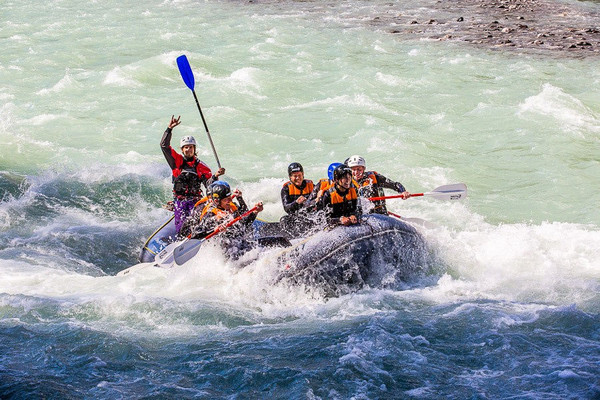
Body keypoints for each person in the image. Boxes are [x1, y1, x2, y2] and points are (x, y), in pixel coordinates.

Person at [160, 115, 225, 232]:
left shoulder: (201, 167)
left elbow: (209, 186)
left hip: (196, 202)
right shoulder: (177, 162)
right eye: (185, 147)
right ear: (182, 150)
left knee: (196, 224)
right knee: (182, 229)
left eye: (190, 147)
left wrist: (215, 176)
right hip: (180, 201)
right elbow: (164, 146)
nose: (188, 150)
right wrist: (169, 129)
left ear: (194, 149)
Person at [184, 181, 263, 260]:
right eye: (226, 199)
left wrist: (255, 213)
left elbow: (243, 225)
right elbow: (195, 235)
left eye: (229, 198)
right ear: (217, 201)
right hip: (227, 253)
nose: (230, 201)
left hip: (240, 245)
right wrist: (214, 230)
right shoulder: (211, 214)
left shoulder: (232, 208)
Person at [280, 162, 317, 236]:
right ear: (290, 177)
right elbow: (287, 208)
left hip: (310, 217)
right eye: (295, 176)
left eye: (299, 175)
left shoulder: (312, 186)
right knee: (284, 220)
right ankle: (292, 239)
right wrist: (296, 202)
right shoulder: (286, 189)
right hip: (295, 217)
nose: (298, 178)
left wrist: (312, 202)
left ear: (303, 175)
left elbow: (320, 201)